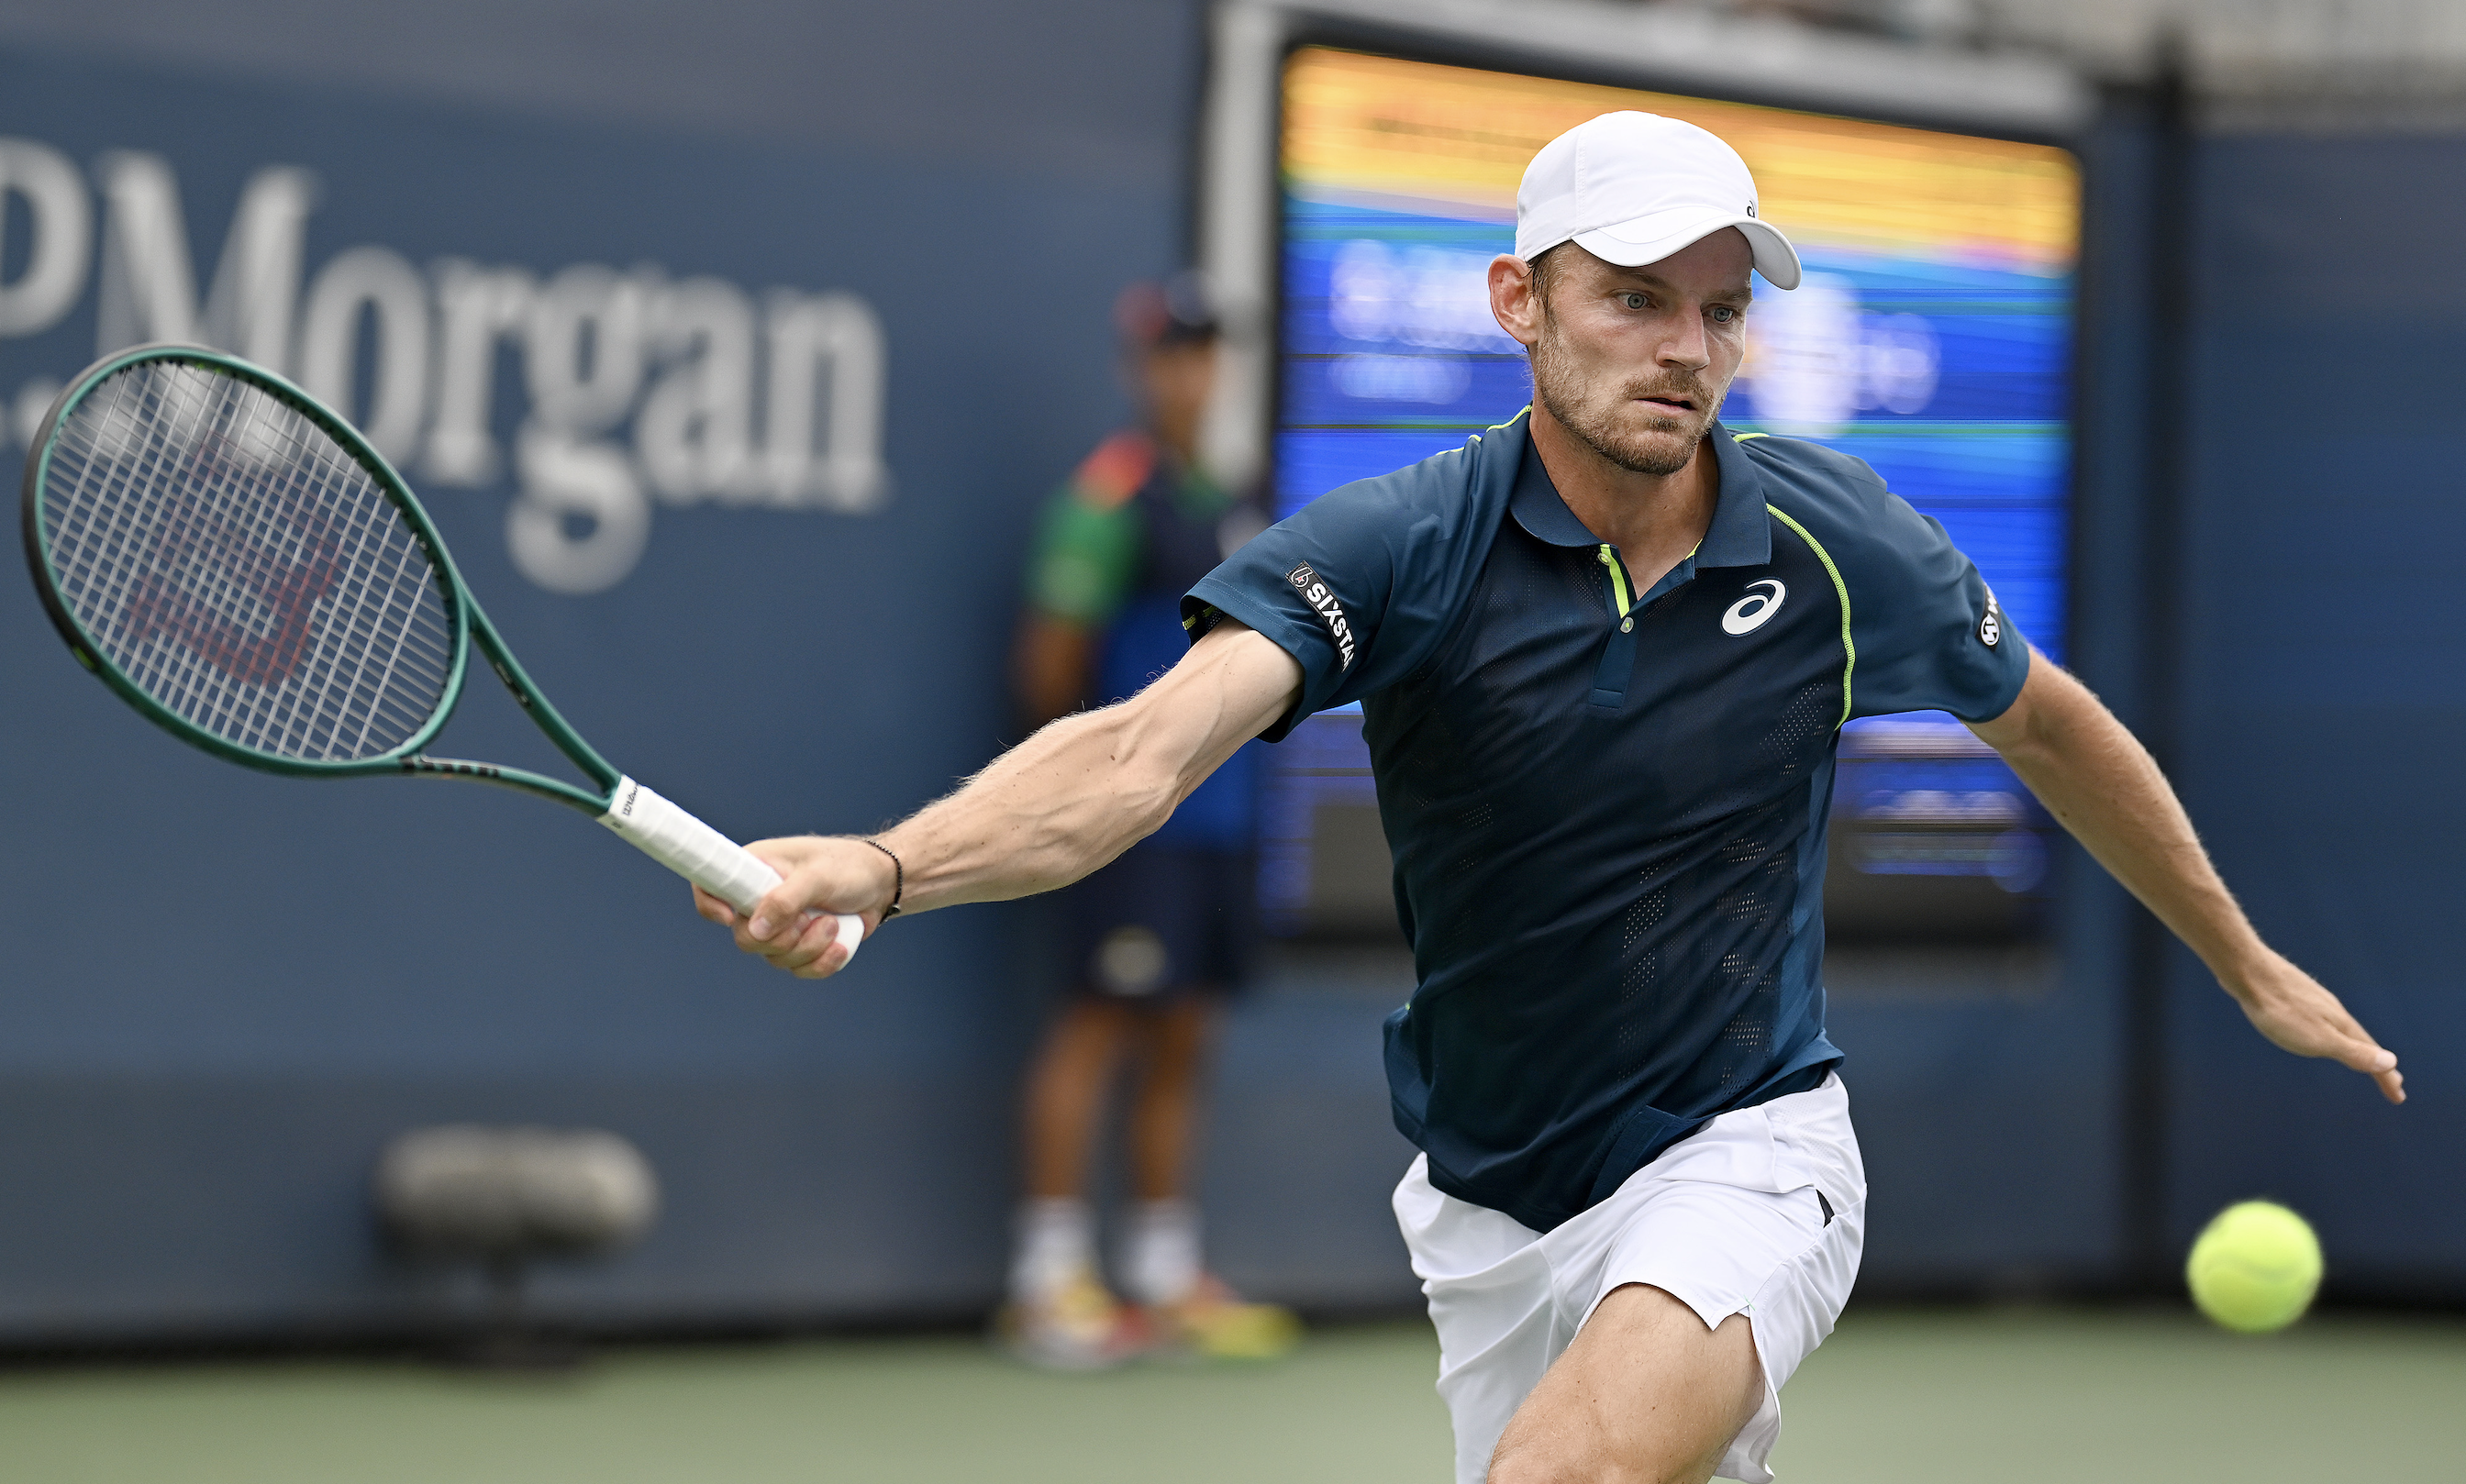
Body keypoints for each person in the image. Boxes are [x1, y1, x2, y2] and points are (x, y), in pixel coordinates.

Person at [694, 113, 2403, 1483]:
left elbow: (2046, 726)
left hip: (1748, 1147)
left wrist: (2244, 961)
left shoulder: (1833, 536)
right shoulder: (1399, 544)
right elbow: (1138, 750)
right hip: (1492, 1203)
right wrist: (884, 861)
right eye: (1635, 298)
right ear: (1518, 302)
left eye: (1721, 306)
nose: (1687, 347)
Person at [997, 274, 1296, 1368]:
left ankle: (1166, 1274)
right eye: (1175, 353)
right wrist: (1093, 792)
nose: (1194, 374)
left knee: (1189, 1028)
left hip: (1222, 823)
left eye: (1209, 352)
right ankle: (1046, 1282)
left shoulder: (1239, 490)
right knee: (1098, 1023)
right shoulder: (1108, 498)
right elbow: (1049, 668)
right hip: (1129, 827)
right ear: (1141, 368)